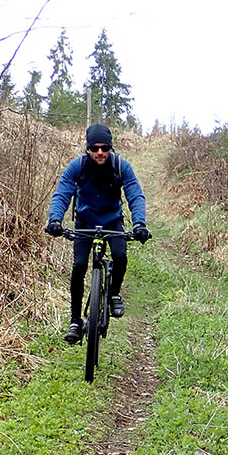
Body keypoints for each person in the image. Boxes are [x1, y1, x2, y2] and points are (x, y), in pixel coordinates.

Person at [45, 123, 149, 343]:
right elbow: (62, 193)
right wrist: (55, 220)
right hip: (85, 220)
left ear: (111, 148)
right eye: (94, 148)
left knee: (120, 255)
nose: (100, 152)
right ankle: (75, 320)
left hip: (112, 219)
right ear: (88, 149)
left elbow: (135, 194)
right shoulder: (78, 166)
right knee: (79, 265)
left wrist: (139, 224)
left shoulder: (121, 166)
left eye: (104, 148)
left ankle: (114, 294)